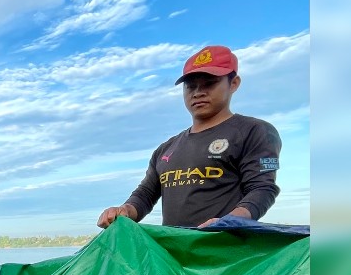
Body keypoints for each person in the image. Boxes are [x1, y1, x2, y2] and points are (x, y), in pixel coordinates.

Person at [97, 45, 282, 230]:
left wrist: (231, 221)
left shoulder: (254, 131)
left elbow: (262, 189)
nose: (198, 92)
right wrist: (124, 211)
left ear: (233, 83)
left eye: (209, 83)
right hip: (173, 252)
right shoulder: (165, 149)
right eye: (191, 86)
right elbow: (144, 195)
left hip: (227, 250)